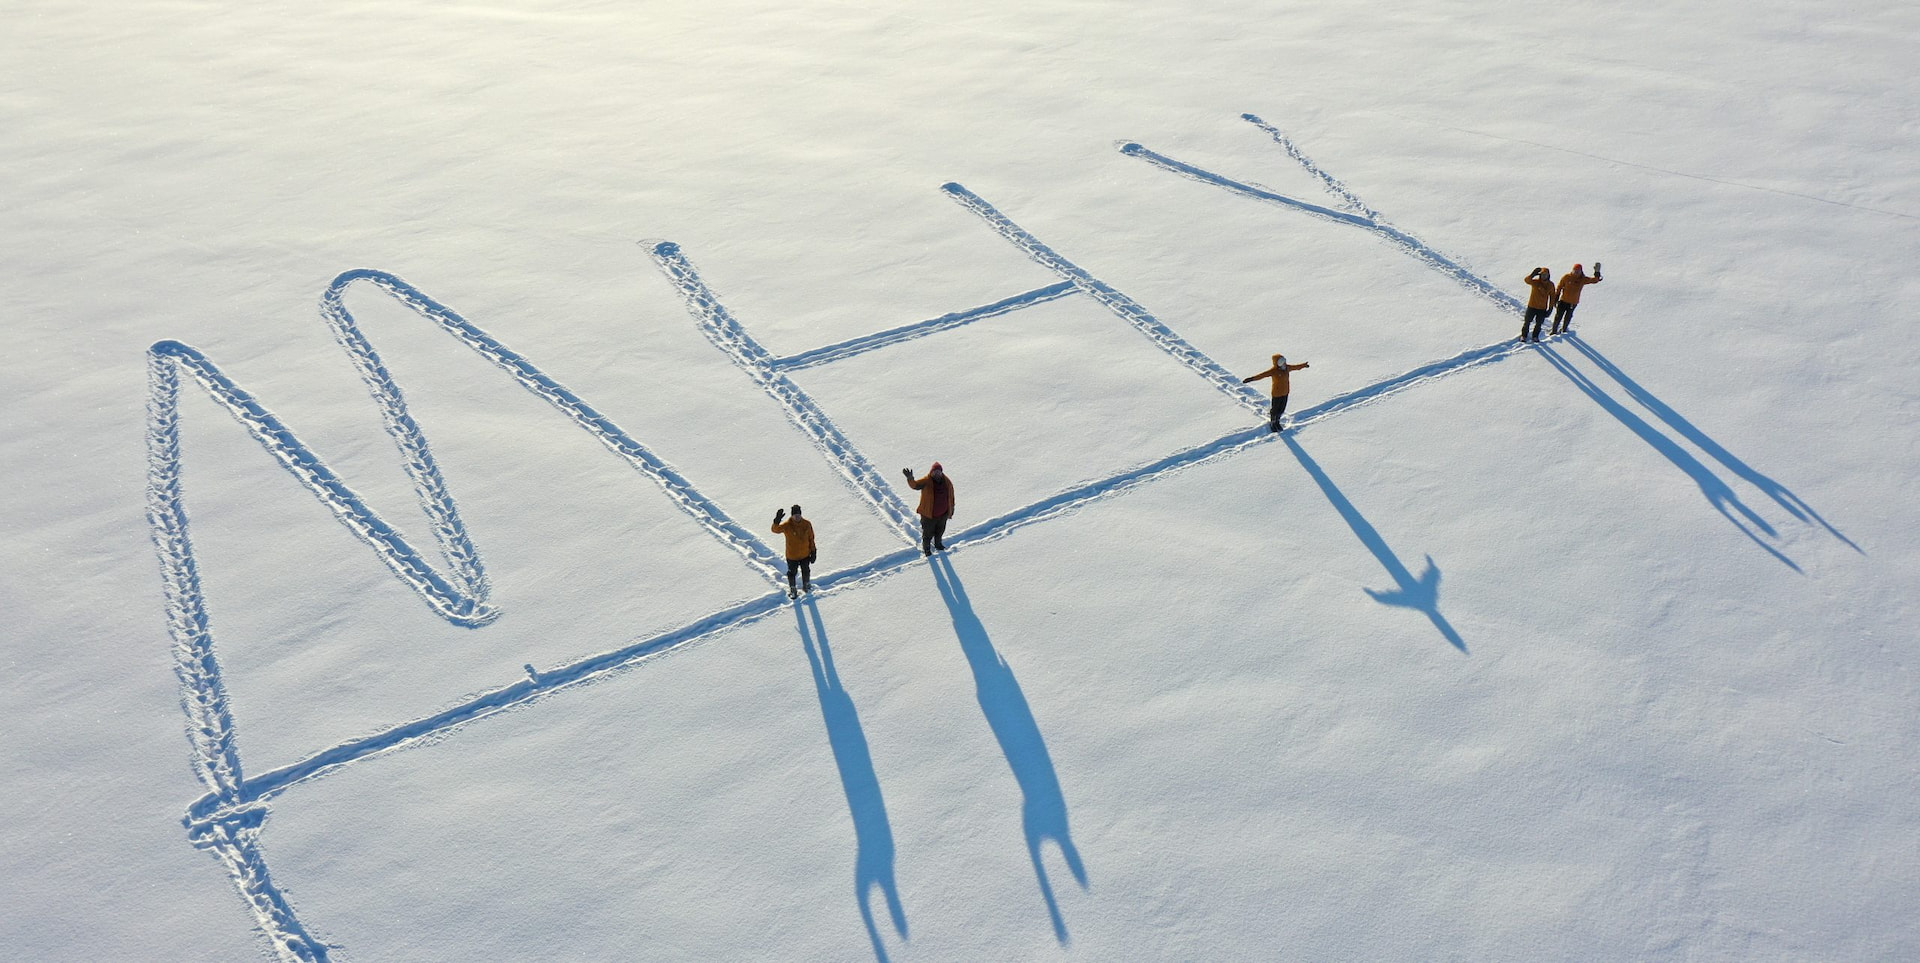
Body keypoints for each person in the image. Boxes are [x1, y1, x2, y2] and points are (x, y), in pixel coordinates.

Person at [1241, 353, 1310, 432]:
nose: (1284, 363)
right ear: (1277, 363)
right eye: (1281, 362)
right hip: (1277, 394)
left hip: (1285, 392)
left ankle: (1277, 421)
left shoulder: (1287, 368)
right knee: (1275, 410)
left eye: (1284, 361)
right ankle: (1273, 423)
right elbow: (1262, 375)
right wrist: (1251, 379)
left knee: (1281, 409)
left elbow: (1296, 367)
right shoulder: (1274, 371)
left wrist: (1303, 365)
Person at [901, 463, 955, 556]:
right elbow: (915, 485)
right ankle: (927, 549)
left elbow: (951, 496)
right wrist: (910, 478)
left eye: (939, 472)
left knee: (940, 531)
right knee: (927, 534)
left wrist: (951, 508)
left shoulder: (947, 482)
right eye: (935, 472)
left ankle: (938, 545)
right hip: (928, 515)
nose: (937, 474)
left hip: (943, 514)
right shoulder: (926, 481)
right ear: (931, 472)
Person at [772, 504, 816, 599]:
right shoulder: (787, 525)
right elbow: (775, 530)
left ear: (801, 514)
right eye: (795, 515)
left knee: (806, 570)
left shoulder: (807, 524)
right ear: (792, 516)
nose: (797, 517)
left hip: (805, 554)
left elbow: (811, 538)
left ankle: (806, 585)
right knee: (792, 573)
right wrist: (777, 521)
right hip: (792, 556)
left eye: (798, 515)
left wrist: (813, 551)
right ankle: (793, 589)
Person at [1551, 263, 1601, 335]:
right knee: (1558, 316)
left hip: (1573, 303)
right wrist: (1556, 298)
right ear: (1572, 270)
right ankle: (1554, 331)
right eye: (1575, 271)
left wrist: (1597, 273)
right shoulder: (1566, 277)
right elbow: (1559, 287)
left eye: (1578, 271)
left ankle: (1564, 330)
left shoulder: (1582, 279)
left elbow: (1594, 280)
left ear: (1581, 271)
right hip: (1563, 301)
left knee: (1568, 317)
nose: (1576, 273)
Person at [1521, 267, 1556, 342]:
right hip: (1532, 306)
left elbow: (1552, 297)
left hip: (1542, 308)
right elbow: (1527, 280)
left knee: (1539, 324)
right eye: (1543, 274)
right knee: (1527, 321)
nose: (1544, 276)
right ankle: (1524, 335)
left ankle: (1535, 336)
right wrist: (1532, 274)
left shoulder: (1551, 285)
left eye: (1546, 275)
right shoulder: (1535, 282)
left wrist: (1550, 309)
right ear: (1540, 275)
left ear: (1548, 275)